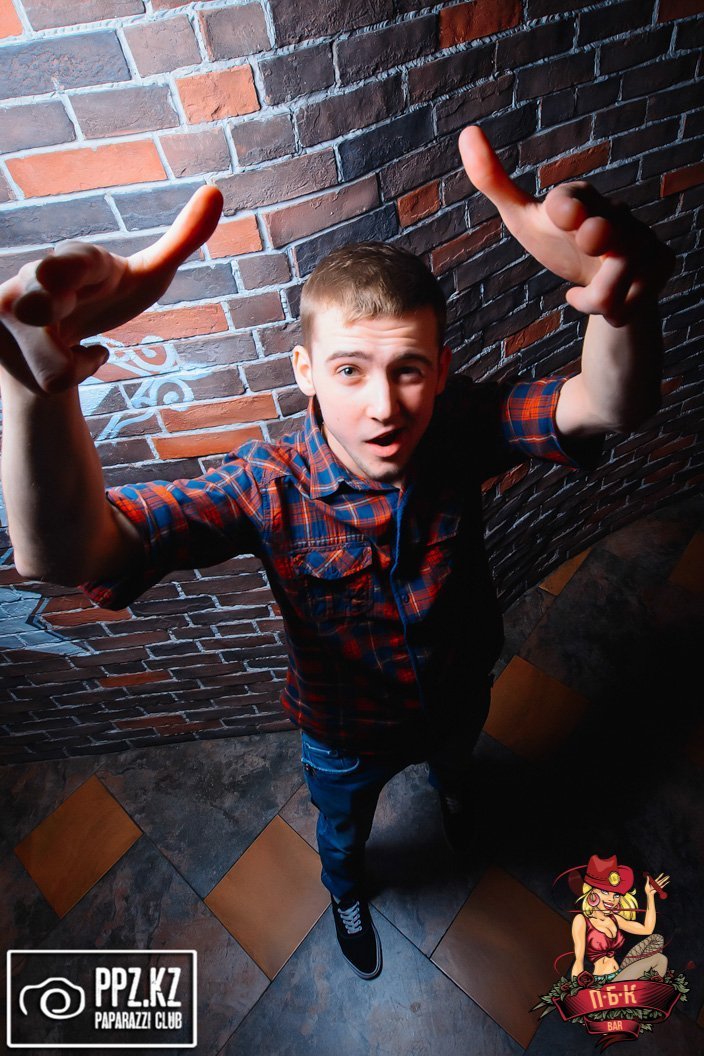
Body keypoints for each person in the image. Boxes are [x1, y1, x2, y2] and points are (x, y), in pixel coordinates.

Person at [0, 126, 674, 980]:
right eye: (350, 370)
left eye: (408, 370)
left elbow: (606, 404)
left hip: (460, 689)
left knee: (459, 762)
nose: (384, 406)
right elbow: (66, 555)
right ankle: (346, 888)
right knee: (343, 829)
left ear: (441, 369)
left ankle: (455, 787)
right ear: (306, 371)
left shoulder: (459, 426)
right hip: (345, 734)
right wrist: (32, 390)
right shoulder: (266, 483)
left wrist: (620, 308)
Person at [570, 854, 670, 985]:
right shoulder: (582, 920)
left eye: (616, 895)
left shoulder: (615, 919)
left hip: (620, 975)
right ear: (591, 892)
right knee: (658, 959)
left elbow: (647, 929)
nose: (611, 899)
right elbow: (578, 960)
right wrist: (576, 989)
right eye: (605, 892)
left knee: (660, 957)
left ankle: (646, 991)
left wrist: (649, 896)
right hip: (602, 982)